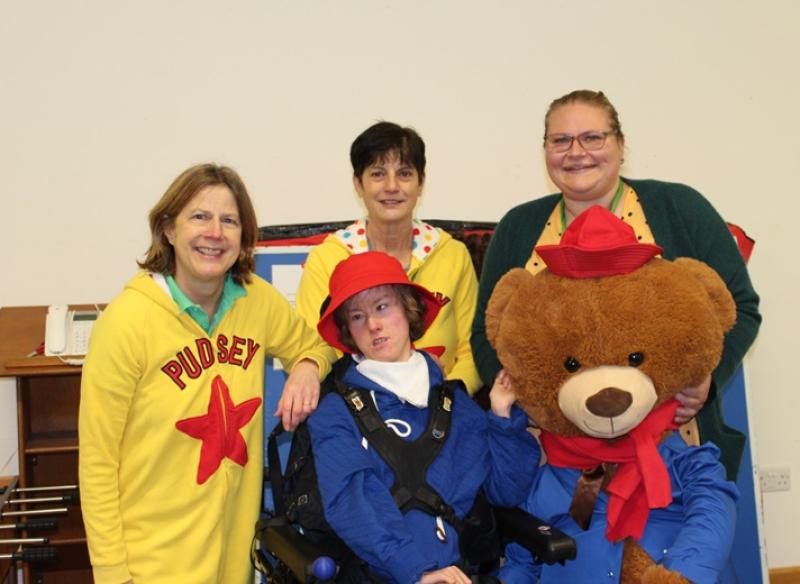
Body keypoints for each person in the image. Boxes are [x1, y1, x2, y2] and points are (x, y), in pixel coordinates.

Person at [471, 89, 761, 480]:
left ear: (621, 145)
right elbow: (485, 334)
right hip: (554, 457)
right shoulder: (517, 227)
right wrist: (529, 400)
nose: (576, 152)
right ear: (545, 151)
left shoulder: (679, 207)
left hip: (674, 449)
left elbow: (740, 306)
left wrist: (707, 378)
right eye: (560, 140)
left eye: (593, 137)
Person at [78, 163, 336, 584]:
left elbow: (317, 344)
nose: (215, 232)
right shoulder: (126, 322)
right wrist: (111, 572)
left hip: (233, 558)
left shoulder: (256, 301)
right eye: (199, 216)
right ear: (168, 229)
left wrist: (308, 366)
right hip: (150, 563)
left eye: (229, 221)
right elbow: (97, 460)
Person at [308, 251, 538, 584]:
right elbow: (353, 502)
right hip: (389, 574)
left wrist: (502, 418)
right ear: (348, 332)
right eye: (357, 317)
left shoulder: (456, 405)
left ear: (409, 309)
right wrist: (416, 571)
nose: (373, 324)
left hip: (457, 573)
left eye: (382, 307)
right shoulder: (334, 413)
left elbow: (506, 491)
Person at [296, 121, 482, 394]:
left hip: (444, 409)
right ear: (358, 184)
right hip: (356, 414)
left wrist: (446, 400)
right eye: (378, 174)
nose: (392, 186)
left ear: (421, 183)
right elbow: (315, 346)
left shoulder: (452, 254)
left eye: (405, 173)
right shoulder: (328, 258)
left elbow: (472, 348)